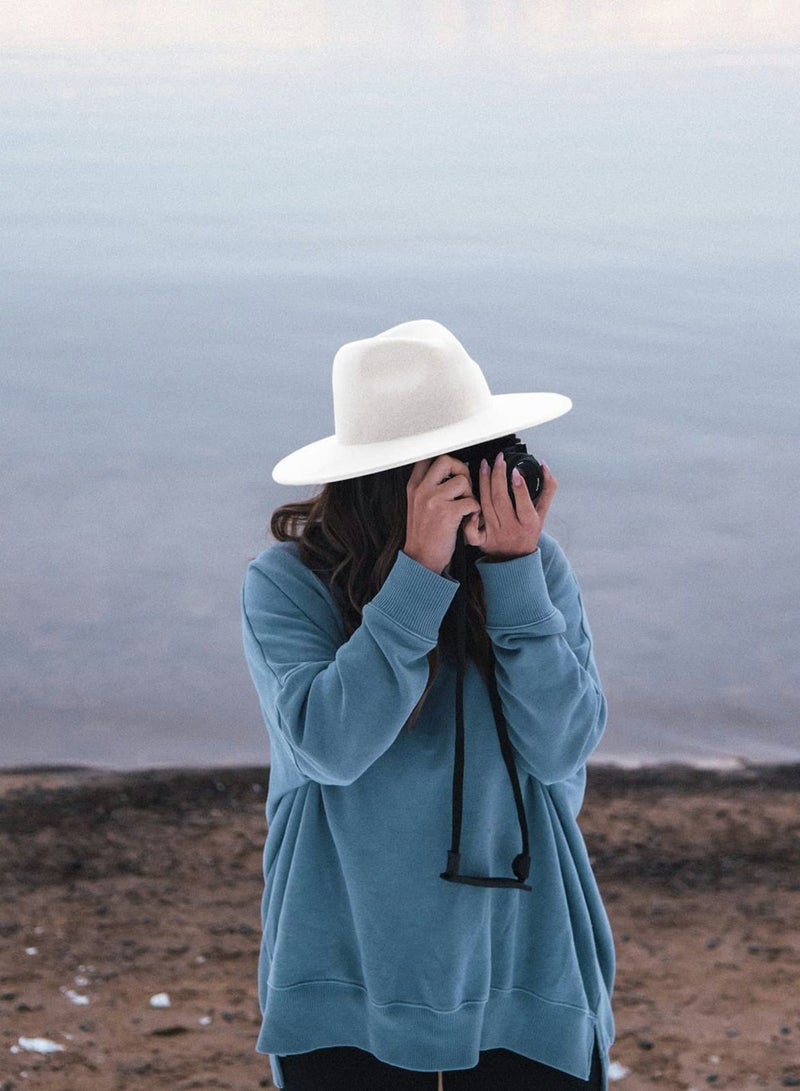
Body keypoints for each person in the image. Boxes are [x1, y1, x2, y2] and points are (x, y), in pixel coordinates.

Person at [242, 320, 615, 1090]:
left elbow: (561, 746)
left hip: (522, 951)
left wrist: (514, 575)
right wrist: (418, 576)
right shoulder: (288, 582)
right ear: (396, 479)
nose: (491, 475)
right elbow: (330, 744)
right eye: (465, 461)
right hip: (345, 958)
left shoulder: (531, 567)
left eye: (495, 449)